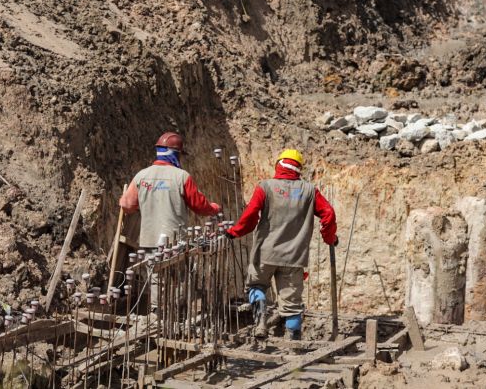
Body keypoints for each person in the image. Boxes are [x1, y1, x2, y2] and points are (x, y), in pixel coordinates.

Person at [226, 149, 337, 339]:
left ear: (279, 164)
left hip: (265, 254)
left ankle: (261, 323)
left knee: (257, 286)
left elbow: (250, 215)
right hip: (293, 258)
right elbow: (328, 213)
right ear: (298, 168)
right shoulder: (309, 190)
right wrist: (329, 238)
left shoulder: (266, 187)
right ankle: (293, 342)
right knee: (292, 302)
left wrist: (234, 232)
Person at [119, 131, 222, 307]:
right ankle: (179, 313)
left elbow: (127, 206)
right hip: (175, 240)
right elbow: (199, 206)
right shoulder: (181, 177)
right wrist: (214, 208)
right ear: (175, 154)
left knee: (156, 279)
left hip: (149, 240)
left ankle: (156, 313)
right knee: (180, 278)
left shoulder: (141, 176)